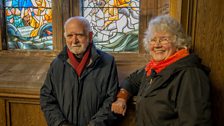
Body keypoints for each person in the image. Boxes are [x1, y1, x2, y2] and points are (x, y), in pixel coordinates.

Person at [111, 15, 212, 126]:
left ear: (178, 43)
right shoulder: (154, 69)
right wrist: (122, 98)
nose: (157, 45)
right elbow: (131, 81)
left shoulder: (191, 75)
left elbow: (196, 122)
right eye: (153, 40)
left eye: (164, 39)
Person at [40, 16, 119, 126]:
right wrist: (60, 123)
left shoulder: (107, 63)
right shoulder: (57, 64)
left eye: (79, 35)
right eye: (70, 36)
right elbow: (46, 98)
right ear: (65, 37)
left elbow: (112, 100)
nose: (74, 40)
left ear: (90, 36)